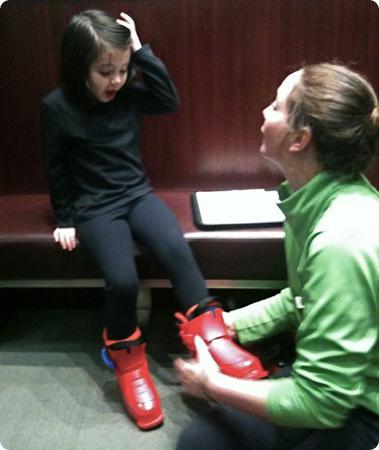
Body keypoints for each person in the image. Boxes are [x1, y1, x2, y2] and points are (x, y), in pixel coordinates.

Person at [40, 9, 267, 431]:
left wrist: (141, 51)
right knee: (123, 280)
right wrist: (65, 218)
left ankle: (212, 337)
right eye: (106, 71)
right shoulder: (56, 107)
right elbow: (54, 166)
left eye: (123, 70)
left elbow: (167, 100)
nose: (117, 81)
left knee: (176, 249)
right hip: (95, 207)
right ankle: (128, 362)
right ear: (78, 66)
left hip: (136, 193)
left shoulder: (127, 94)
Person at [175, 63, 379, 449]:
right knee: (202, 442)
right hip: (338, 388)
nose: (264, 113)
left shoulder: (341, 238)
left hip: (366, 409)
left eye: (275, 106)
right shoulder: (315, 199)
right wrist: (228, 324)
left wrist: (212, 384)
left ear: (299, 138)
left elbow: (322, 403)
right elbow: (302, 299)